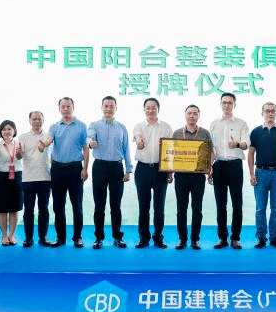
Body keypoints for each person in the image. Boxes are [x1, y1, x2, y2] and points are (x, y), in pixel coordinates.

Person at [39, 98, 89, 248]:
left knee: (77, 205)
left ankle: (77, 237)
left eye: (68, 106)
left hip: (75, 168)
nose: (66, 109)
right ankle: (60, 238)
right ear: (59, 108)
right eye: (63, 106)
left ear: (73, 107)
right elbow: (49, 139)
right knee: (58, 205)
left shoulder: (81, 126)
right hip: (58, 169)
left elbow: (85, 148)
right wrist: (44, 144)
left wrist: (85, 168)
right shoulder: (54, 126)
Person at [87, 96, 132, 249]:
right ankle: (98, 238)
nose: (108, 109)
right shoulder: (94, 125)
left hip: (116, 168)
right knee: (99, 205)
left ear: (116, 108)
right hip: (99, 167)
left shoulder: (122, 128)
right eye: (105, 106)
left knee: (116, 205)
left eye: (111, 106)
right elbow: (89, 138)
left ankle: (117, 237)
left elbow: (126, 149)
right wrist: (90, 143)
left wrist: (128, 169)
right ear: (101, 108)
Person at [209, 93, 249, 250]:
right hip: (218, 166)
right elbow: (211, 149)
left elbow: (246, 144)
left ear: (234, 105)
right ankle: (222, 238)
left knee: (237, 203)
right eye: (224, 102)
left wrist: (237, 144)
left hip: (235, 166)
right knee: (221, 204)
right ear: (220, 104)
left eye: (230, 103)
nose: (227, 105)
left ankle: (235, 238)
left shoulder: (241, 123)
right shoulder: (214, 124)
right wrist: (210, 167)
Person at [133, 98, 173, 249]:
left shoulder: (166, 127)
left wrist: (170, 172)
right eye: (148, 108)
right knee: (143, 206)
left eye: (153, 107)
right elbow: (137, 137)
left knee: (159, 206)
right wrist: (139, 142)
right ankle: (144, 238)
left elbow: (170, 151)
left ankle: (158, 237)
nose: (150, 110)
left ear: (158, 109)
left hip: (160, 170)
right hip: (142, 169)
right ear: (144, 110)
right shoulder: (139, 126)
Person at [248, 102, 276, 249]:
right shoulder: (255, 132)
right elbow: (251, 153)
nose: (270, 113)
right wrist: (251, 174)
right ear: (262, 114)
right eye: (267, 111)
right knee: (260, 208)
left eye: (272, 111)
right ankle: (261, 238)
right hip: (261, 173)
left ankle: (274, 238)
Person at [173, 104, 213, 250]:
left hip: (198, 176)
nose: (192, 116)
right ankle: (182, 239)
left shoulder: (205, 133)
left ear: (198, 116)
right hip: (181, 176)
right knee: (181, 209)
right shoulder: (177, 133)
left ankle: (195, 239)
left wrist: (210, 167)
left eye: (195, 113)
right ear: (185, 115)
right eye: (189, 113)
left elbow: (210, 152)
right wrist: (170, 172)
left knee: (197, 209)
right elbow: (171, 154)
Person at [19, 111, 53, 247]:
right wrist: (18, 153)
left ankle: (43, 237)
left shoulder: (49, 137)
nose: (37, 121)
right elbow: (19, 156)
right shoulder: (23, 137)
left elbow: (53, 156)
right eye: (34, 119)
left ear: (43, 120)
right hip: (28, 178)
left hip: (45, 177)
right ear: (29, 121)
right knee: (28, 210)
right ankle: (28, 238)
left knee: (43, 209)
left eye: (39, 119)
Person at [0, 120, 24, 246]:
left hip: (17, 176)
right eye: (4, 129)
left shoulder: (19, 144)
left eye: (9, 129)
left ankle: (12, 235)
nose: (6, 131)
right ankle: (4, 236)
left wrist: (19, 153)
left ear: (14, 131)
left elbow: (20, 157)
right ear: (0, 132)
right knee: (2, 209)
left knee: (14, 208)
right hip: (1, 177)